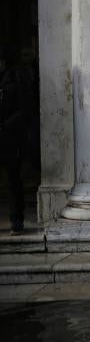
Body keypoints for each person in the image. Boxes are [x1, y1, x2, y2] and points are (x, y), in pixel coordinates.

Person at [0, 48, 27, 235]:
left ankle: (16, 219)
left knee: (13, 180)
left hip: (9, 138)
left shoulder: (15, 80)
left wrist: (5, 125)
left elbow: (24, 109)